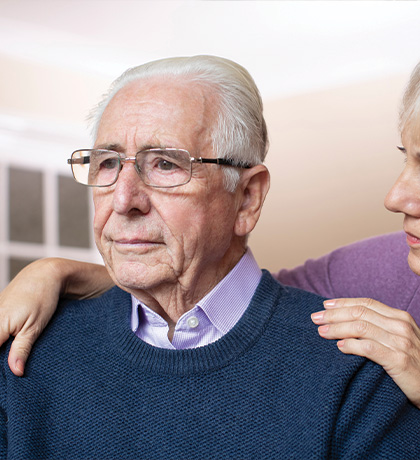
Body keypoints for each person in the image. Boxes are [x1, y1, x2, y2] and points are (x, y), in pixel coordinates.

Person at [1, 55, 419, 459]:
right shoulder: (25, 353)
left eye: (164, 164)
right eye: (107, 163)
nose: (123, 199)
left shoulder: (356, 374)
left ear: (248, 198)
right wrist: (52, 270)